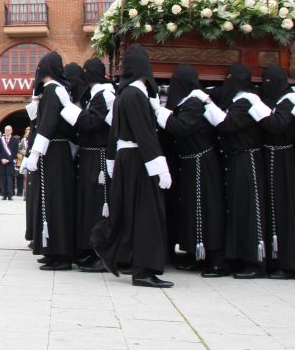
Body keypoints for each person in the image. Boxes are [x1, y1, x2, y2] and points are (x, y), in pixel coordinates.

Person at [92, 45, 173, 288]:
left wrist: (113, 163)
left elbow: (113, 133)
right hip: (139, 159)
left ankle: (117, 251)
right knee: (146, 214)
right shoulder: (136, 95)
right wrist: (160, 166)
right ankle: (143, 270)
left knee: (131, 213)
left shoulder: (123, 94)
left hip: (127, 159)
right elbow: (144, 134)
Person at [152, 65, 227, 276]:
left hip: (202, 163)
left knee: (207, 209)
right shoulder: (190, 102)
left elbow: (181, 128)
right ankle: (198, 254)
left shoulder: (195, 102)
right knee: (194, 210)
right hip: (191, 163)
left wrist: (160, 111)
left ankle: (216, 260)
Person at [202, 64, 272, 278]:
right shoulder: (237, 100)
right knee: (238, 209)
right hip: (235, 159)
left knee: (251, 208)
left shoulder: (247, 101)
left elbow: (227, 124)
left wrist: (206, 103)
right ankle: (240, 257)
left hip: (247, 159)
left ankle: (256, 262)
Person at [20, 52, 77, 271]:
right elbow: (37, 120)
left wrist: (34, 153)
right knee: (49, 201)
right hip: (52, 151)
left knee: (56, 202)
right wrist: (35, 97)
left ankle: (61, 254)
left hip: (55, 150)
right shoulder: (49, 91)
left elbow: (48, 123)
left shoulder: (54, 90)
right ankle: (52, 249)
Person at [257, 65, 295, 279]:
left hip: (283, 158)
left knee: (285, 208)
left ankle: (290, 263)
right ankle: (273, 258)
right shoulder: (275, 100)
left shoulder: (290, 101)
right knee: (271, 208)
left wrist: (257, 110)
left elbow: (278, 125)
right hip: (270, 157)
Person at [65, 59, 115, 271]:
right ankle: (90, 249)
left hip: (99, 157)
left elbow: (91, 122)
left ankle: (102, 253)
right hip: (90, 156)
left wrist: (67, 108)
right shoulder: (95, 95)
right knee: (88, 204)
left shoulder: (106, 96)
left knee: (98, 205)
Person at [0, 126, 18, 201]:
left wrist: (8, 160)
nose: (7, 131)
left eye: (9, 130)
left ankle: (10, 195)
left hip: (10, 162)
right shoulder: (1, 140)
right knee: (2, 179)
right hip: (1, 162)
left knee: (9, 179)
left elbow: (15, 152)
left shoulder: (15, 140)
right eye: (6, 130)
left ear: (11, 131)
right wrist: (1, 159)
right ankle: (4, 194)